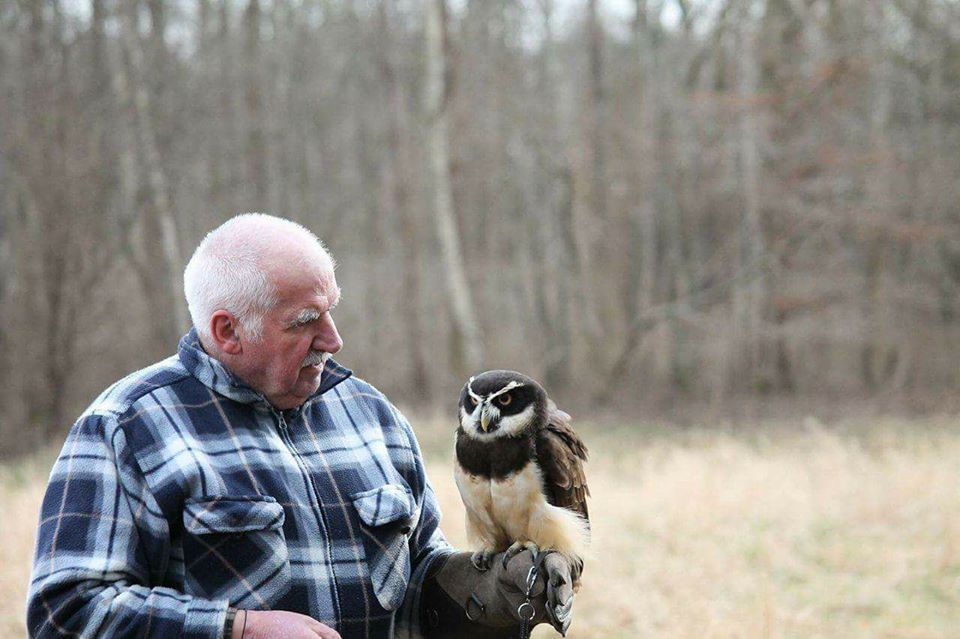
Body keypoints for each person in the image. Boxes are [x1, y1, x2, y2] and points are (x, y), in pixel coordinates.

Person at [27, 213, 577, 639]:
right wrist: (236, 629)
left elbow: (415, 588)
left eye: (331, 310)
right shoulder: (127, 428)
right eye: (305, 321)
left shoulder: (371, 416)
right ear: (227, 331)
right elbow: (65, 613)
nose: (333, 339)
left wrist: (486, 592)